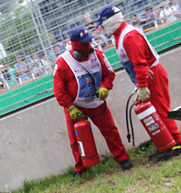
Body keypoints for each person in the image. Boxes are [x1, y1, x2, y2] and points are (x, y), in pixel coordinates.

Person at [97, 5, 181, 161]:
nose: (103, 29)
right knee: (155, 112)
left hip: (151, 75)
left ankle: (177, 144)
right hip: (146, 77)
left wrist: (143, 86)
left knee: (161, 109)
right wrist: (140, 85)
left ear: (110, 23)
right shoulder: (120, 35)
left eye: (103, 26)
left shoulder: (129, 36)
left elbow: (140, 64)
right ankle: (166, 144)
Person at [53, 27, 132, 180]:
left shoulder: (98, 56)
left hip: (97, 103)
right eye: (84, 43)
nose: (88, 45)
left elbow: (109, 74)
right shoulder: (63, 62)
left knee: (110, 131)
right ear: (75, 45)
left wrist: (104, 87)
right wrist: (70, 107)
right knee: (75, 139)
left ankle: (123, 159)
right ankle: (80, 168)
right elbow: (58, 89)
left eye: (89, 41)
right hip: (75, 107)